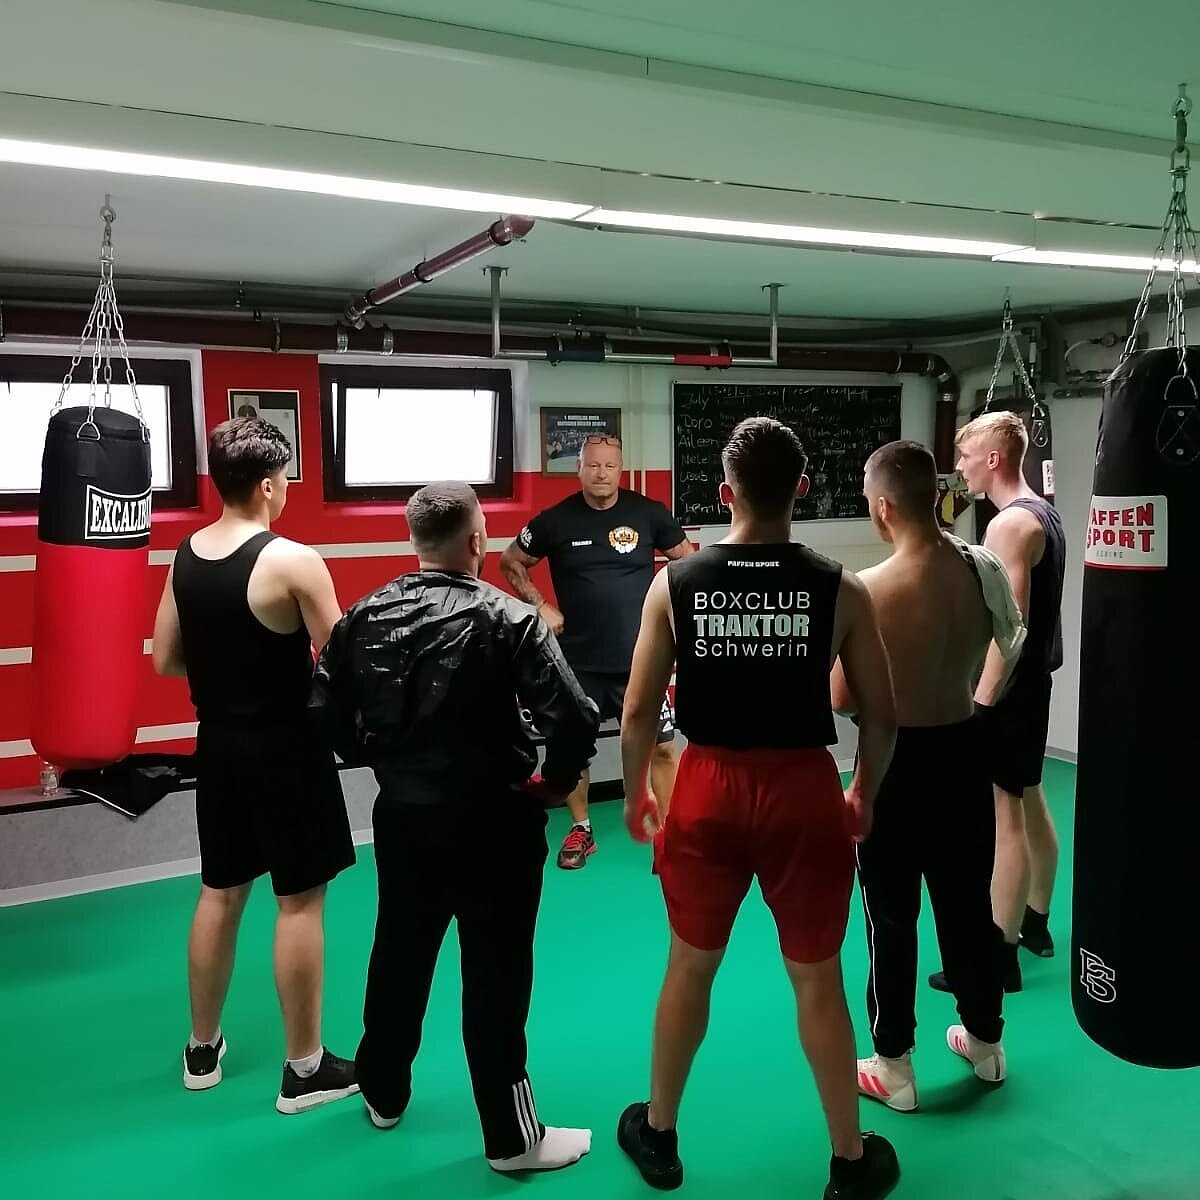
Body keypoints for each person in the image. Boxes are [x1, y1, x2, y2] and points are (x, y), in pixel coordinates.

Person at [616, 417, 900, 1200]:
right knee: (817, 982)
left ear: (724, 491)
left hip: (708, 788)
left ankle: (661, 1134)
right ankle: (848, 1159)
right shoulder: (842, 586)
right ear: (802, 491)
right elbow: (880, 715)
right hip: (804, 792)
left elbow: (639, 712)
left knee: (689, 967)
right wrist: (863, 790)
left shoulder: (673, 582)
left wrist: (640, 789)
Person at [310, 481, 600, 1174]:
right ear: (476, 541)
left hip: (405, 816)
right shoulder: (511, 617)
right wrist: (553, 787)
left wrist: (378, 757)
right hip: (495, 819)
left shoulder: (364, 614)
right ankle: (510, 1138)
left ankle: (381, 1092)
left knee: (400, 952)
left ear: (415, 541)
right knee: (496, 972)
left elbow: (321, 714)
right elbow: (578, 717)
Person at [151, 416, 358, 1114]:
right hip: (286, 748)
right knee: (298, 900)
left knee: (222, 890)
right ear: (269, 485)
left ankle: (202, 1049)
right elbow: (344, 662)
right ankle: (305, 1070)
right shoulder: (293, 560)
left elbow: (165, 658)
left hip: (220, 748)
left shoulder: (185, 554)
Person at [832, 440, 1025, 1112]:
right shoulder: (982, 568)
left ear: (884, 507)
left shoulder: (868, 589)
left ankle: (893, 1067)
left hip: (894, 763)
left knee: (890, 915)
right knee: (967, 906)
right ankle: (987, 1044)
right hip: (963, 749)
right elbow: (1013, 641)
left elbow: (838, 697)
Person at [500, 433, 695, 869]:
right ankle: (581, 829)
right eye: (593, 465)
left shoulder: (649, 514)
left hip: (641, 660)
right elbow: (510, 560)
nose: (601, 473)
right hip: (577, 664)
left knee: (664, 747)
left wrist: (674, 614)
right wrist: (540, 604)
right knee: (572, 753)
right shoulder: (555, 521)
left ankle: (670, 835)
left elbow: (688, 563)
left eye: (609, 466)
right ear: (580, 469)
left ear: (620, 469)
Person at [930, 411, 1066, 995]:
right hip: (1034, 685)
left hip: (1010, 691)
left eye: (966, 457)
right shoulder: (1044, 513)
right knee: (1030, 794)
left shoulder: (1009, 527)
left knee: (1004, 816)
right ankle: (1036, 922)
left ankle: (999, 953)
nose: (959, 468)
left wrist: (981, 705)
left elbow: (1009, 631)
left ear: (994, 459)